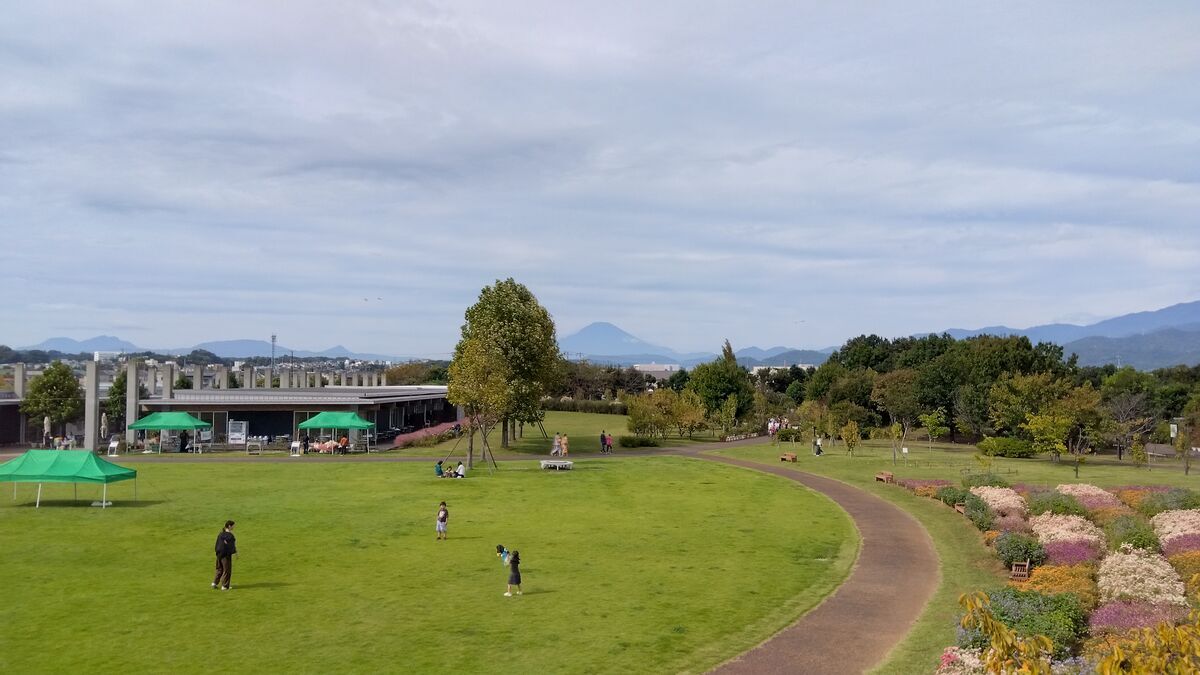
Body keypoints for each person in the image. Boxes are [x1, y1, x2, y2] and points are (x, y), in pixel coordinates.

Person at [212, 520, 237, 590]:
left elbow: (217, 544)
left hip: (219, 554)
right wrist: (235, 553)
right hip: (226, 555)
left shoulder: (220, 534)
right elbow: (231, 546)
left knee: (219, 569)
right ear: (229, 526)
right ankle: (225, 586)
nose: (234, 527)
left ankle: (214, 583)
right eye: (233, 526)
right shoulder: (230, 536)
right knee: (227, 570)